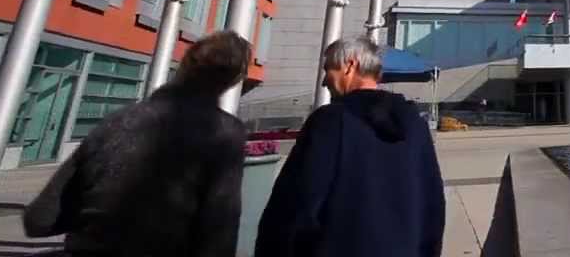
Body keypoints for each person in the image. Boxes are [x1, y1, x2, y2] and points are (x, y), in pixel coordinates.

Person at [23, 31, 251, 257]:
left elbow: (39, 219)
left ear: (184, 62)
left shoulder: (118, 121)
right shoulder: (224, 132)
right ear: (233, 81)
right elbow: (219, 229)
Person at [255, 36, 444, 257]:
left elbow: (295, 205)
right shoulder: (414, 124)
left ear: (350, 66)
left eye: (328, 70)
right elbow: (433, 205)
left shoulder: (330, 122)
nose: (325, 81)